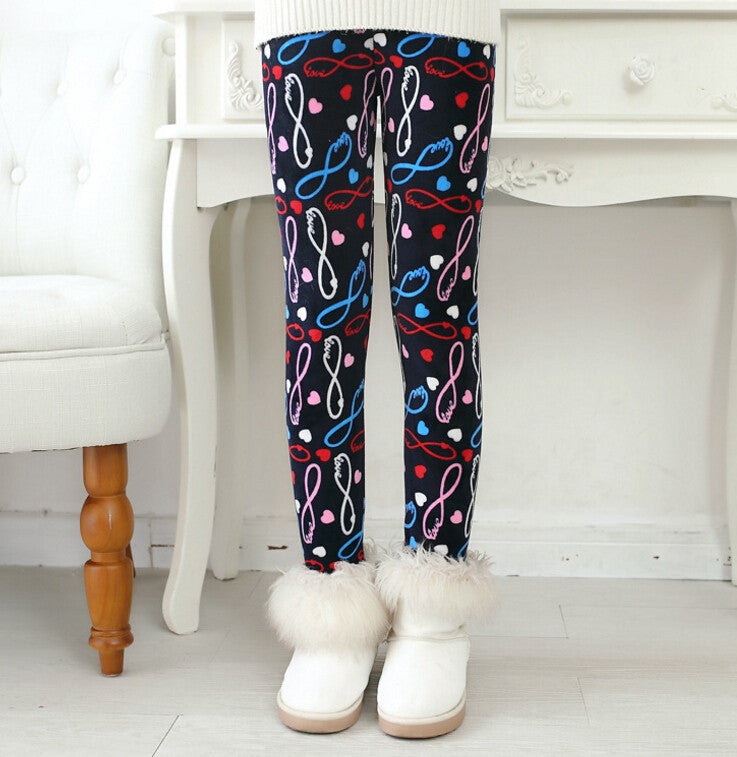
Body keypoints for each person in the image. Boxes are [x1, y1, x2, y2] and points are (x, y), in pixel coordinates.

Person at [255, 0, 502, 739]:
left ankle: (432, 612)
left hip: (449, 16)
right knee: (319, 319)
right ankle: (333, 600)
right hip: (303, 16)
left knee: (439, 316)